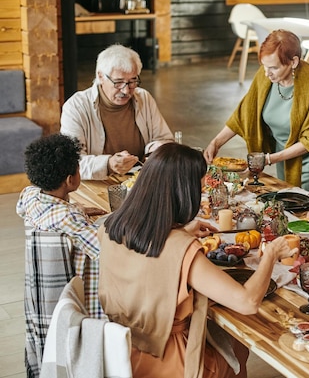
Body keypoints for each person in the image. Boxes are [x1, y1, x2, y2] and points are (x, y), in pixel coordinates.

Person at [98, 142, 295, 377]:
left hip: (120, 351)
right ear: (183, 193)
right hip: (172, 362)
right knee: (238, 345)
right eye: (199, 190)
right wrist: (271, 255)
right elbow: (247, 303)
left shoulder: (110, 228)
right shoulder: (182, 250)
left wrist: (181, 233)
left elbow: (145, 262)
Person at [204, 29, 309, 198]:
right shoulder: (265, 77)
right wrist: (216, 142)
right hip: (283, 158)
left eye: (274, 67)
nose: (267, 73)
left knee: (307, 214)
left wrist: (269, 159)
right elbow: (243, 114)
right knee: (286, 207)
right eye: (264, 66)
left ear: (294, 62)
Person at [17, 133, 105, 319]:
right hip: (80, 301)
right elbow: (103, 250)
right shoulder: (68, 218)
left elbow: (45, 213)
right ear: (69, 180)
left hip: (39, 296)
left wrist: (78, 209)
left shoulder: (30, 195)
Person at [61, 44, 174, 180]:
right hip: (96, 184)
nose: (126, 90)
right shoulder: (76, 107)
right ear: (101, 76)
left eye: (133, 81)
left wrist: (157, 149)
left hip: (140, 180)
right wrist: (108, 164)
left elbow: (164, 139)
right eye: (118, 82)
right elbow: (73, 162)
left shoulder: (144, 98)